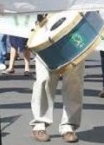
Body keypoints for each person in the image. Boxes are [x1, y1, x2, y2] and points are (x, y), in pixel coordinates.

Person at [31, 14, 84, 143]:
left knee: (74, 81)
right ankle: (39, 123)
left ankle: (68, 125)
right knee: (44, 79)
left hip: (74, 28)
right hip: (45, 29)